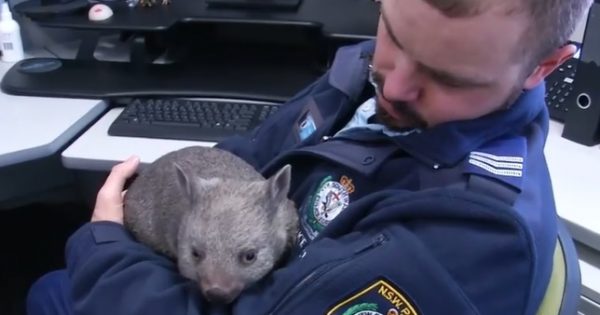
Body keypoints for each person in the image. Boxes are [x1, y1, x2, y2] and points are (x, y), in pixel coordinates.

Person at [27, 0, 591, 314]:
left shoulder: (465, 234)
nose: (392, 88)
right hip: (215, 271)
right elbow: (245, 163)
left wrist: (104, 243)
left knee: (48, 294)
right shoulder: (360, 78)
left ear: (544, 67)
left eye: (445, 77)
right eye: (394, 35)